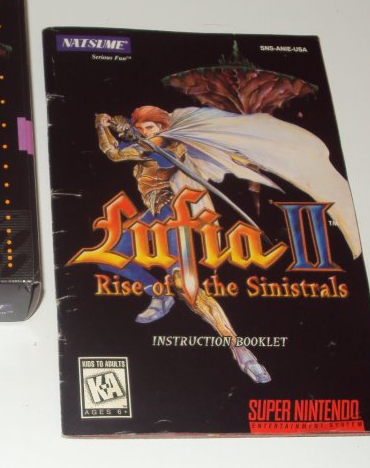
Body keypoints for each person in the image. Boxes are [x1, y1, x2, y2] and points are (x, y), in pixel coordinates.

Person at [94, 106, 270, 384]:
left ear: (163, 129)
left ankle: (238, 348)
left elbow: (114, 152)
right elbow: (123, 131)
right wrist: (112, 123)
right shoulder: (143, 143)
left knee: (189, 292)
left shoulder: (167, 150)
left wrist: (100, 126)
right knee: (109, 257)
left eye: (150, 128)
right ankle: (158, 292)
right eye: (141, 129)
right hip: (152, 216)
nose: (144, 132)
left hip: (171, 219)